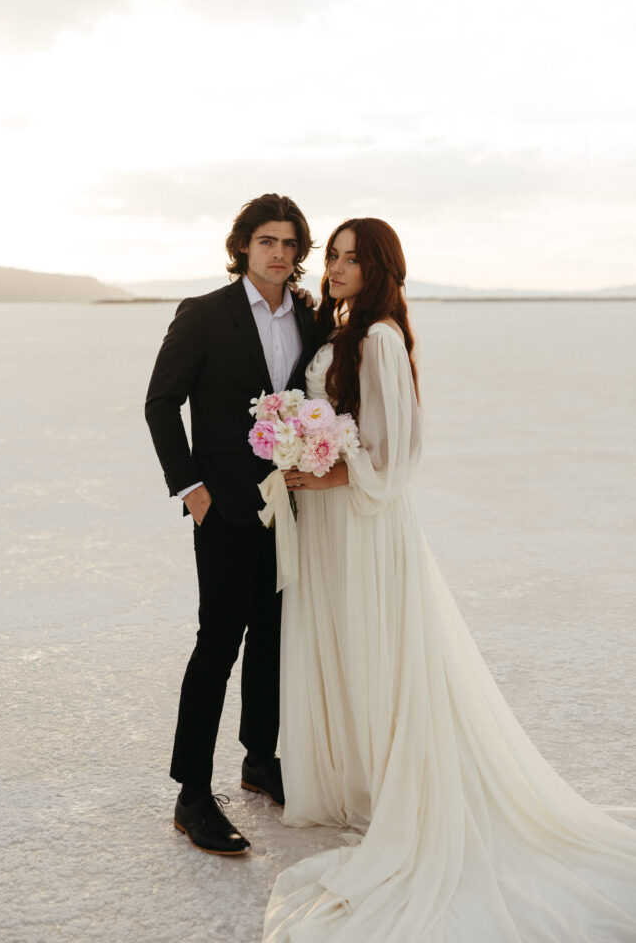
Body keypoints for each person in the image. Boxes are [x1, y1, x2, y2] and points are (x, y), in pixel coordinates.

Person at [263, 218, 636, 940]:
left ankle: (402, 788)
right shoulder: (343, 330)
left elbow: (397, 458)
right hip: (335, 522)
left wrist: (330, 469)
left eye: (350, 259)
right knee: (349, 646)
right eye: (331, 257)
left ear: (379, 269)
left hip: (367, 523)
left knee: (381, 650)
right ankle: (358, 778)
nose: (335, 268)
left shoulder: (378, 339)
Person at [145, 193, 317, 857]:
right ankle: (192, 792)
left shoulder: (307, 317)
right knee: (219, 641)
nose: (279, 253)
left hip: (287, 504)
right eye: (267, 241)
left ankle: (258, 760)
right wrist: (192, 490)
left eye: (290, 244)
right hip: (221, 504)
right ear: (243, 246)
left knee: (273, 634)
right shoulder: (204, 315)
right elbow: (161, 404)